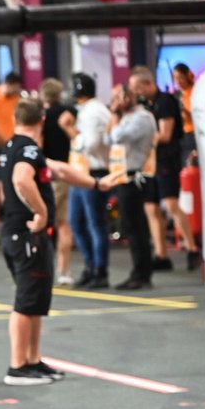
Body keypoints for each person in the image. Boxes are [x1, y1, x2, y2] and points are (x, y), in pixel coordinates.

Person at [0, 98, 118, 385]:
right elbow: (21, 180)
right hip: (27, 235)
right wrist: (40, 211)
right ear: (41, 121)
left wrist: (98, 184)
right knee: (26, 302)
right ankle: (17, 367)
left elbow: (62, 171)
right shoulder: (27, 149)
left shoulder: (18, 146)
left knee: (36, 301)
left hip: (26, 235)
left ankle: (32, 360)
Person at [130, 66, 199, 271]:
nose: (136, 93)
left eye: (138, 88)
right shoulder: (146, 105)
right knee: (150, 207)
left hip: (166, 160)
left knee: (171, 205)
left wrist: (139, 138)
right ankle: (161, 254)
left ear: (148, 83)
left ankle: (192, 248)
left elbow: (165, 135)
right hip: (150, 162)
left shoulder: (165, 103)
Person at [106, 83, 159, 290]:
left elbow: (117, 136)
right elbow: (108, 138)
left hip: (136, 177)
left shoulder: (142, 118)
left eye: (117, 98)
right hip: (122, 176)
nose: (115, 103)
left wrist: (114, 115)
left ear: (128, 98)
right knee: (132, 226)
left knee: (137, 228)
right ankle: (139, 271)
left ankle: (142, 273)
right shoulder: (127, 117)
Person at [66, 72, 113, 289]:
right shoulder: (88, 110)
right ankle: (90, 264)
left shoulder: (93, 112)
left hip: (93, 171)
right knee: (77, 221)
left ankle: (99, 269)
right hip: (82, 171)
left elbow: (92, 143)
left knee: (95, 223)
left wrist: (73, 135)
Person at [41, 79, 77, 284]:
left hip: (45, 173)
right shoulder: (69, 113)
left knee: (44, 223)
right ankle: (63, 270)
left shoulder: (41, 117)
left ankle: (44, 269)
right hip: (65, 171)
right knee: (62, 223)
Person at [0, 72, 24, 235]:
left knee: (5, 183)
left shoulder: (18, 100)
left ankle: (4, 218)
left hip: (13, 145)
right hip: (0, 147)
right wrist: (2, 145)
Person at [171, 62, 198, 164]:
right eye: (175, 78)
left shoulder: (196, 91)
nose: (178, 81)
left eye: (181, 77)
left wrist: (185, 112)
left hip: (193, 133)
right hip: (182, 135)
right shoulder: (177, 95)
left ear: (188, 76)